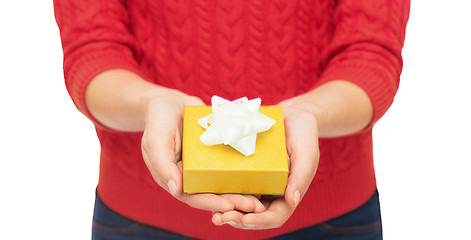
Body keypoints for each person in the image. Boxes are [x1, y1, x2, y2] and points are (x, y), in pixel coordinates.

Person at [54, 0, 410, 239]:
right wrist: (150, 102)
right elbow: (92, 52)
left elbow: (371, 53)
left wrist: (311, 113)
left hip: (331, 219)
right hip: (139, 219)